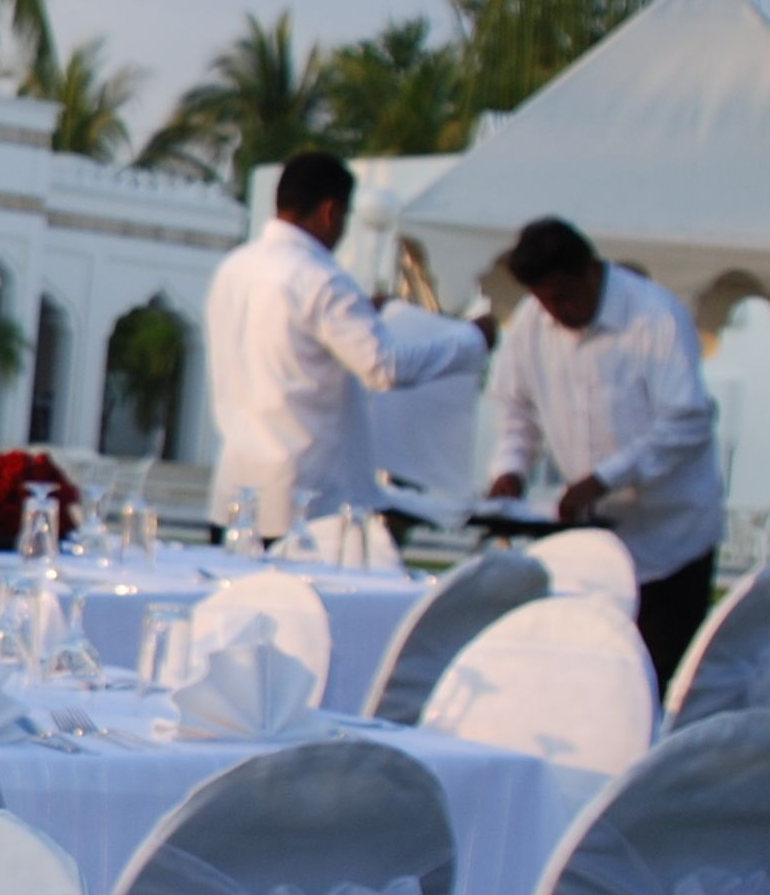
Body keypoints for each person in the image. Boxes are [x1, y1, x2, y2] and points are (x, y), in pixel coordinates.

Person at [484, 214, 726, 684]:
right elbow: (515, 408)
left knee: (649, 685)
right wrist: (511, 467)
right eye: (546, 301)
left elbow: (688, 422)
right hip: (594, 545)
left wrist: (605, 478)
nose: (558, 312)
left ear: (592, 270)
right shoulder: (533, 325)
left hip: (669, 541)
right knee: (586, 680)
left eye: (566, 297)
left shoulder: (655, 317)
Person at [204, 149, 490, 540]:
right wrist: (471, 340)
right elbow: (383, 366)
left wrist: (363, 318)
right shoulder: (321, 280)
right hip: (306, 501)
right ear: (329, 212)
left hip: (236, 491)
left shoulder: (234, 268)